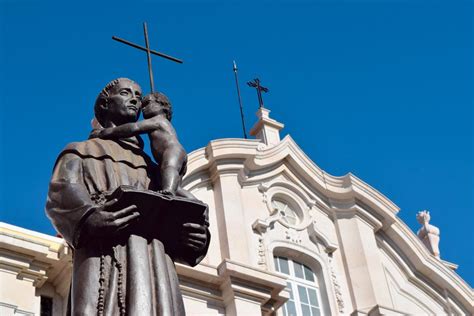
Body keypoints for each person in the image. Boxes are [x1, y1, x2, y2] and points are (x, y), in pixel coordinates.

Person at [46, 78, 209, 316]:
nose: (135, 98)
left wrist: (195, 236)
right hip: (101, 255)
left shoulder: (155, 170)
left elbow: (175, 211)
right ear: (104, 104)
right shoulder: (80, 151)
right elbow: (61, 193)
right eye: (125, 93)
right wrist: (89, 217)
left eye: (138, 95)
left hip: (155, 265)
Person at [90, 92, 191, 198]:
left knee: (169, 168)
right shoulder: (159, 122)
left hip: (173, 151)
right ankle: (194, 201)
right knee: (175, 186)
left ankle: (168, 191)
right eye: (143, 105)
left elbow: (134, 128)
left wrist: (108, 132)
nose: (143, 108)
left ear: (162, 106)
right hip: (174, 155)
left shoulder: (158, 120)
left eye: (147, 103)